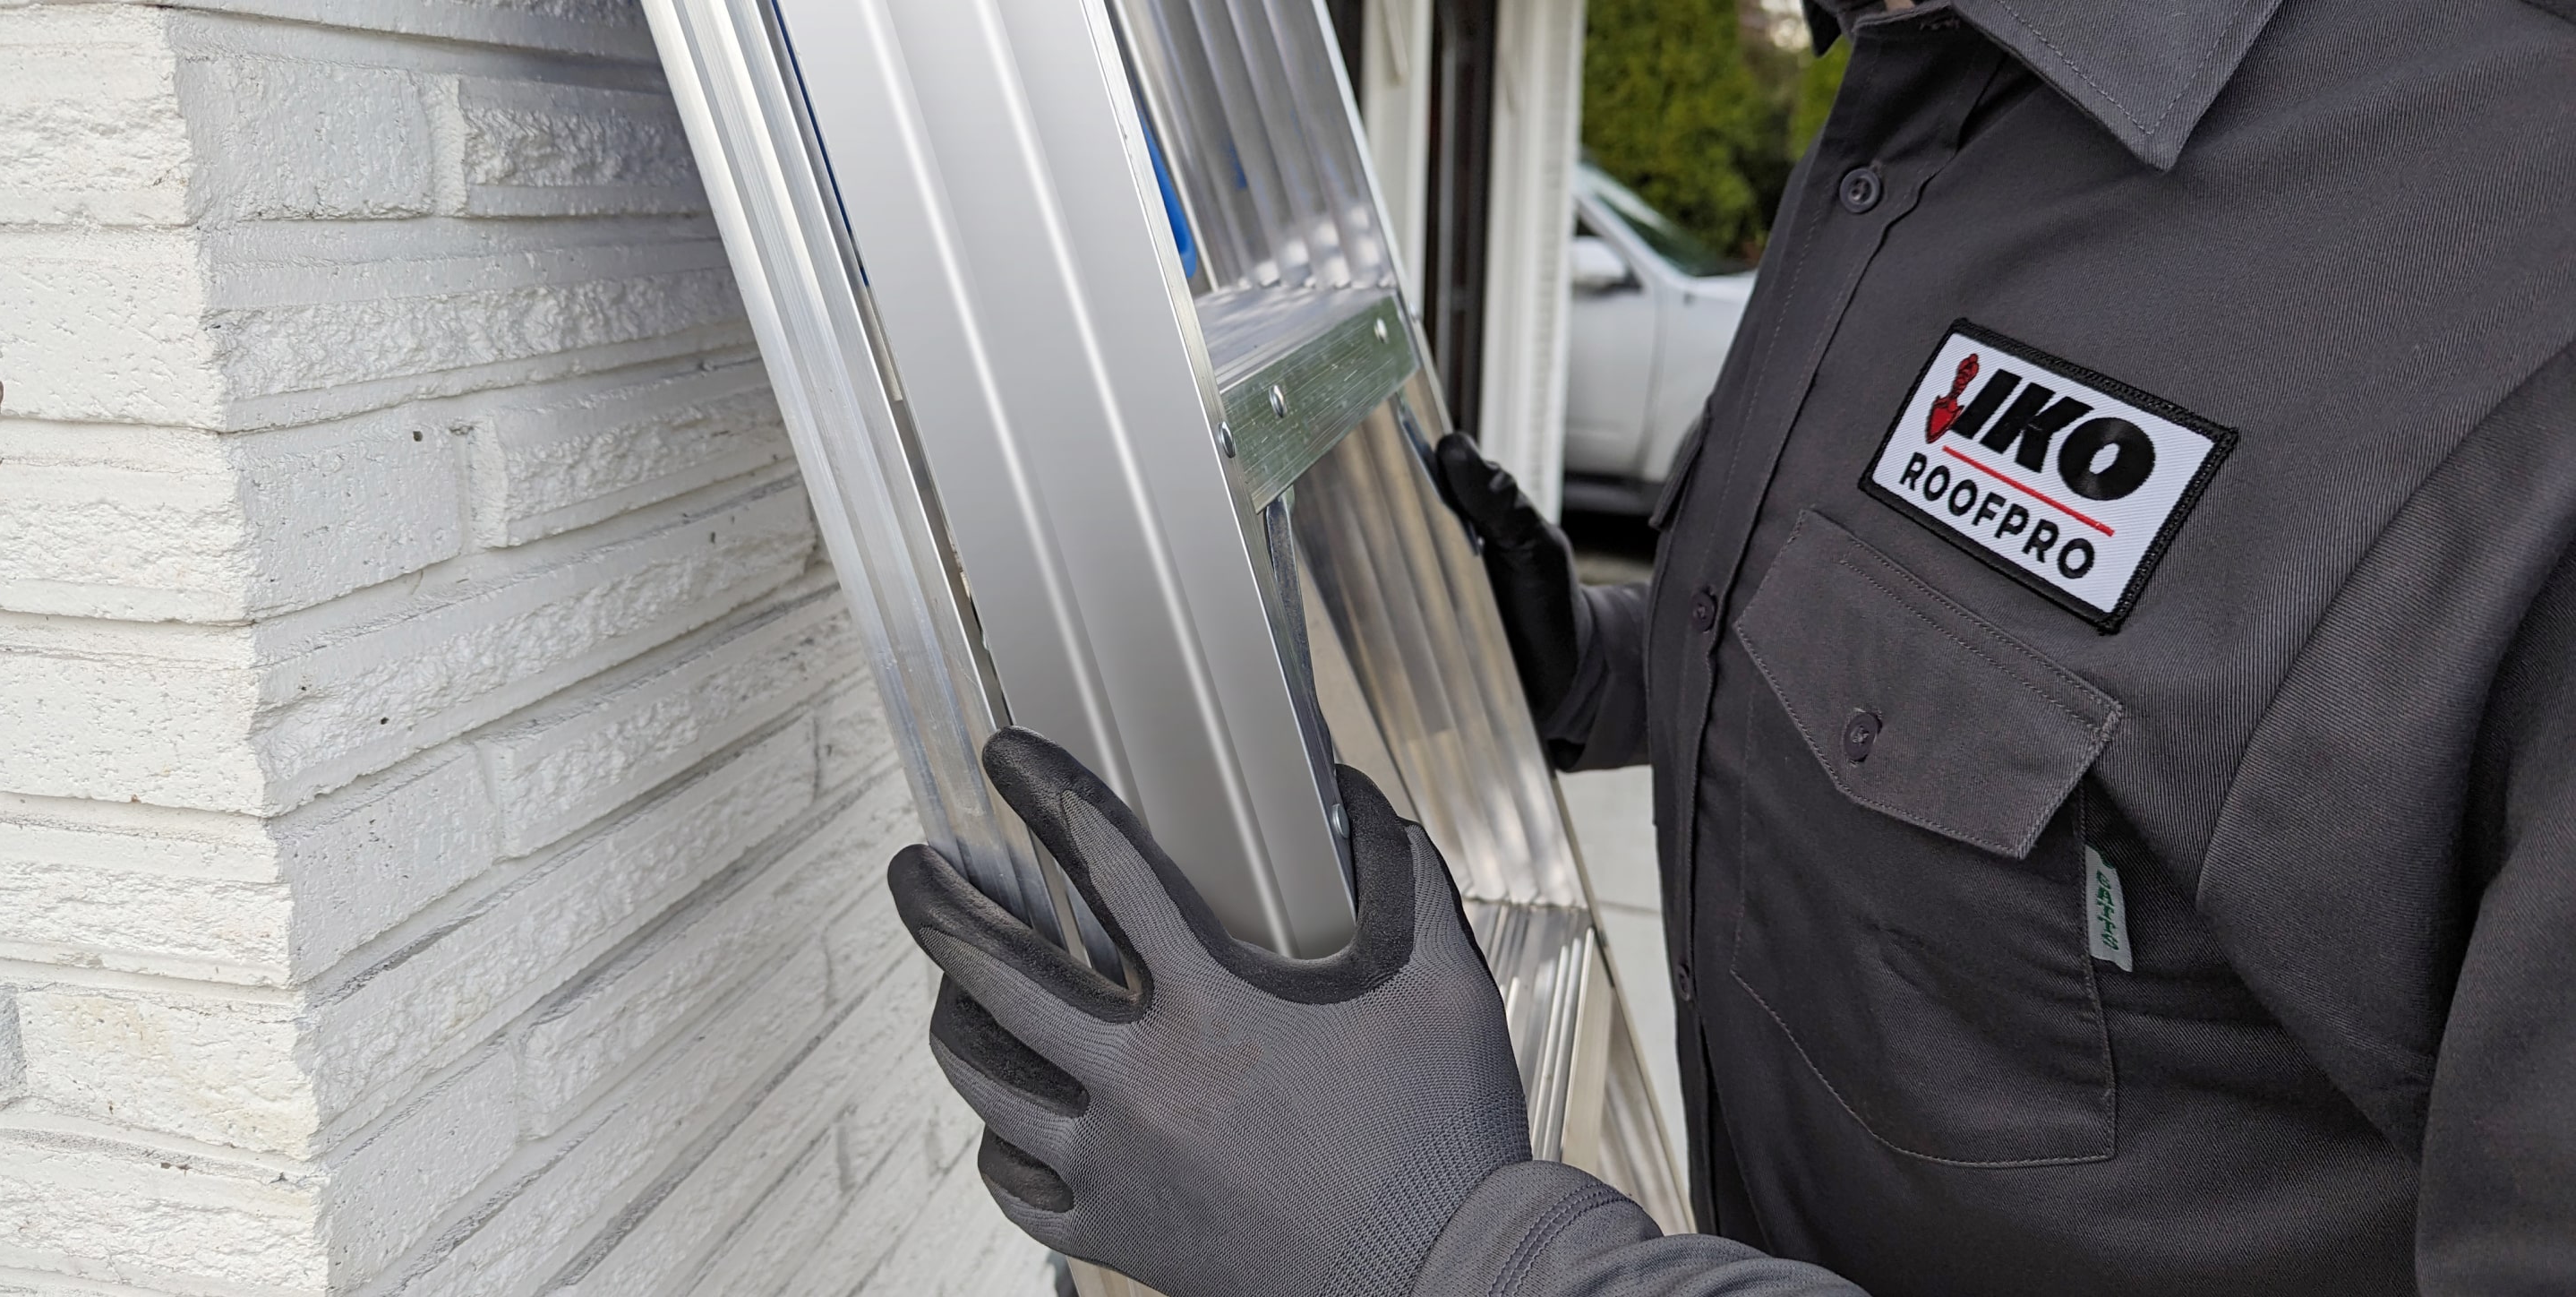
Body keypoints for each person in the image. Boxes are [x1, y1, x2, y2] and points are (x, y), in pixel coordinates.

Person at [888, 0, 2576, 1293]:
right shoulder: (1923, 113)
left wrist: (1445, 1253)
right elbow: (1989, 727)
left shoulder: (2512, 313)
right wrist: (1601, 670)